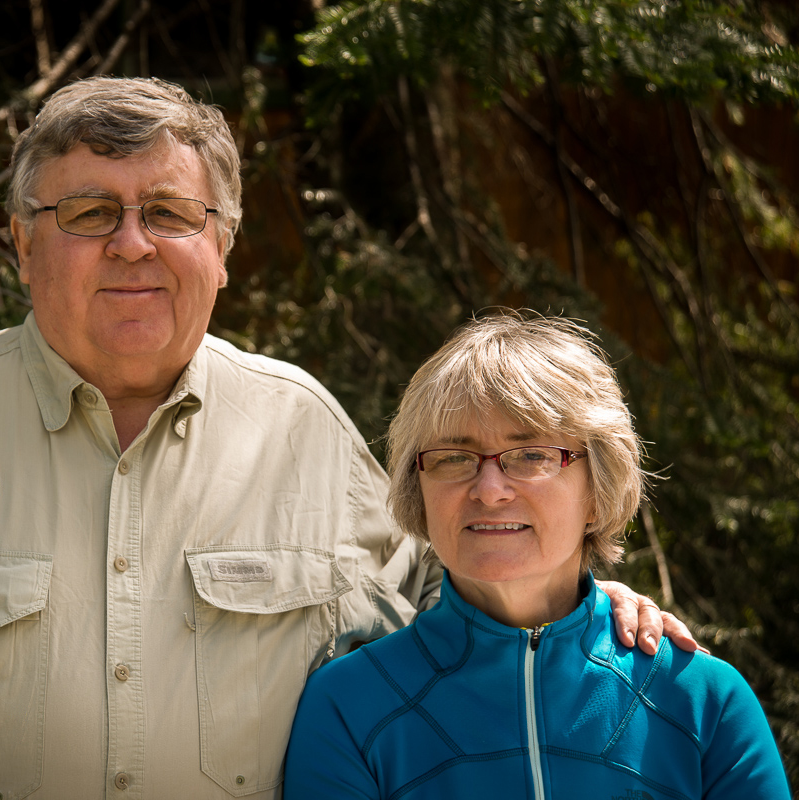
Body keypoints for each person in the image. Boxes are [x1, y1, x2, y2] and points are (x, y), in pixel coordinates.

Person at [0, 79, 692, 799]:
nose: (131, 243)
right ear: (21, 242)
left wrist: (575, 597)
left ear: (222, 244)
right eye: (88, 212)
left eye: (168, 212)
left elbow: (449, 629)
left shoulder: (301, 432)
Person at [284, 311, 790, 799]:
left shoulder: (703, 700)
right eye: (453, 457)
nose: (489, 489)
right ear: (419, 489)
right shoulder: (350, 707)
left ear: (598, 487)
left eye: (531, 455)